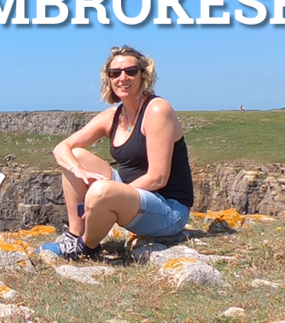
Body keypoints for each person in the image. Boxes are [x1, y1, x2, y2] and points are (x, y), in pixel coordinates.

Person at [41, 45, 194, 260]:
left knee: (101, 192)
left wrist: (109, 196)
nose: (123, 78)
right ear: (109, 79)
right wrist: (78, 170)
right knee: (75, 155)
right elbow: (61, 148)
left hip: (168, 209)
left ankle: (86, 247)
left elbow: (158, 177)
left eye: (131, 71)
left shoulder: (157, 110)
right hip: (132, 194)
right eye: (115, 73)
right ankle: (74, 236)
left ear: (143, 75)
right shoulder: (113, 116)